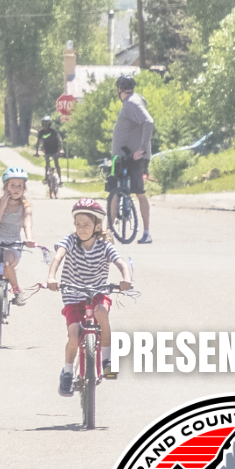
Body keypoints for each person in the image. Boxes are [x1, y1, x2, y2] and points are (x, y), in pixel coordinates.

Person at [44, 199, 134, 395]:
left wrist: (126, 279)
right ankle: (67, 372)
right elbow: (58, 257)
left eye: (86, 225)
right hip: (72, 294)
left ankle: (107, 359)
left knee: (101, 313)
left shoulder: (104, 246)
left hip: (98, 292)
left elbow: (121, 263)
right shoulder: (70, 241)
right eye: (78, 225)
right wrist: (52, 277)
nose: (81, 229)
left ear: (97, 225)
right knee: (74, 333)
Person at [0, 166, 37, 327]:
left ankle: (16, 289)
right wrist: (2, 204)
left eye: (20, 185)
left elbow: (27, 225)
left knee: (7, 263)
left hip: (13, 244)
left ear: (24, 187)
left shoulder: (25, 205)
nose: (16, 189)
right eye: (12, 185)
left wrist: (29, 239)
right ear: (5, 186)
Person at [109, 76, 155, 243]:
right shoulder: (131, 102)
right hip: (123, 157)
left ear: (119, 89)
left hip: (134, 157)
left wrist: (141, 149)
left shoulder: (132, 103)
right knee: (114, 191)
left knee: (139, 192)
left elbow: (148, 122)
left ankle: (146, 232)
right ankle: (109, 233)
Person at [36, 116, 65, 196]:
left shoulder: (53, 131)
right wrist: (36, 152)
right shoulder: (41, 132)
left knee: (56, 163)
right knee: (47, 163)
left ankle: (60, 179)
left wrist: (60, 150)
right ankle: (46, 177)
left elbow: (59, 141)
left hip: (55, 148)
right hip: (47, 149)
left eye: (47, 123)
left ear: (49, 124)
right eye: (44, 123)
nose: (46, 125)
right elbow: (38, 142)